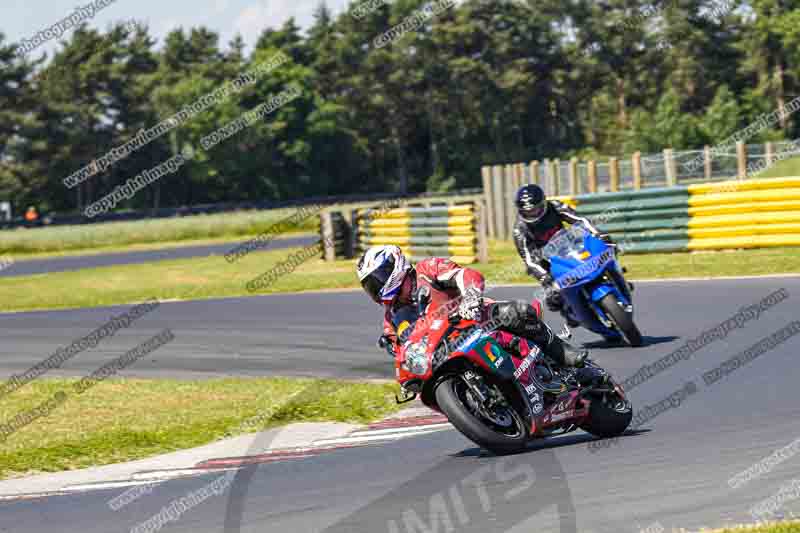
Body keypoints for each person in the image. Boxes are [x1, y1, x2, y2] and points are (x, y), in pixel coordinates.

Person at [356, 245, 588, 371]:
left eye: (377, 281)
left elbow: (466, 274)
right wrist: (395, 351)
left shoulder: (428, 269)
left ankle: (562, 351)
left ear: (394, 267)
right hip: (444, 354)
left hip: (477, 322)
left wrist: (471, 297)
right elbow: (401, 351)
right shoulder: (392, 317)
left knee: (516, 312)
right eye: (370, 286)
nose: (376, 289)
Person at [512, 184, 613, 325]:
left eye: (536, 209)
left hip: (570, 244)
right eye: (528, 212)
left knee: (604, 248)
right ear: (521, 211)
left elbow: (580, 220)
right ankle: (569, 310)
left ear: (544, 203)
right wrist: (543, 276)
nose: (533, 214)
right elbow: (528, 259)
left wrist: (597, 233)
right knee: (553, 298)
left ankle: (614, 276)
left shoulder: (555, 206)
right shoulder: (519, 230)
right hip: (546, 260)